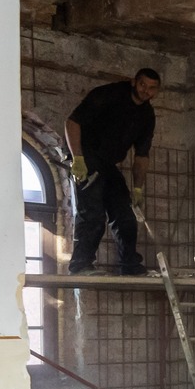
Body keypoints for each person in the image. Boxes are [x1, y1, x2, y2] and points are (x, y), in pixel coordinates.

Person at [65, 67, 160, 275]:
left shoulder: (147, 115)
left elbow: (141, 156)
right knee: (93, 212)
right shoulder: (109, 94)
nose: (146, 91)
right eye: (143, 84)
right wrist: (77, 158)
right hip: (87, 155)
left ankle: (130, 265)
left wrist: (138, 189)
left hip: (108, 164)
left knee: (125, 214)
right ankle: (80, 265)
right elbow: (72, 122)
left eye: (152, 88)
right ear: (134, 82)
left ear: (156, 92)